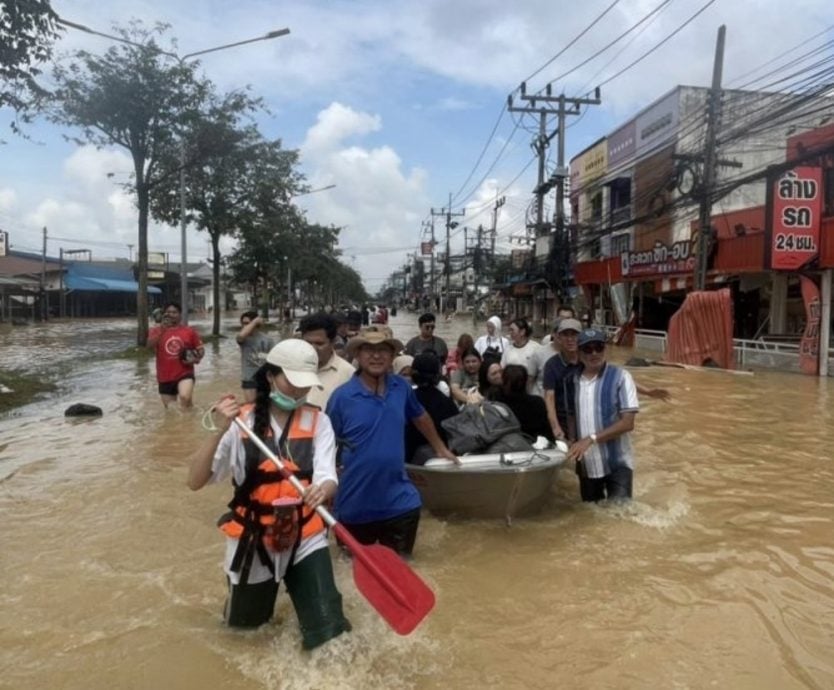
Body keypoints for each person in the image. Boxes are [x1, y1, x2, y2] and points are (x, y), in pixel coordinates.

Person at [186, 340, 350, 649]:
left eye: (304, 385)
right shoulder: (240, 423)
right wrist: (219, 430)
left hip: (305, 533)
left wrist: (322, 489)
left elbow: (328, 476)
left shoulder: (320, 421)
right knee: (246, 634)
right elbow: (194, 481)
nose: (298, 392)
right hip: (253, 538)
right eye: (292, 382)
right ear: (270, 376)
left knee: (329, 634)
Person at [326, 328, 457, 557]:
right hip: (354, 505)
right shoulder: (341, 397)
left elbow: (420, 416)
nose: (376, 356)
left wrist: (440, 448)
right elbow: (325, 442)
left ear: (392, 356)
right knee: (355, 572)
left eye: (383, 350)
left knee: (402, 569)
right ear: (358, 354)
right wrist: (327, 483)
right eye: (369, 350)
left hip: (400, 504)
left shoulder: (401, 387)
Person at [567, 328, 639, 502]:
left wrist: (590, 439)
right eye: (588, 349)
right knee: (591, 513)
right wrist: (570, 440)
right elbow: (571, 415)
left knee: (619, 513)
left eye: (598, 347)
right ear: (579, 353)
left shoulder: (621, 377)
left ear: (605, 349)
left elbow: (628, 423)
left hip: (618, 463)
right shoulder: (571, 380)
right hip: (587, 463)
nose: (594, 353)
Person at [146, 301, 204, 409]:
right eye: (168, 312)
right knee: (171, 410)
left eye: (174, 312)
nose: (171, 315)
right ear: (164, 315)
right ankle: (190, 414)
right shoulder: (155, 330)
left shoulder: (189, 331)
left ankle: (188, 414)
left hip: (185, 373)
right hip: (165, 376)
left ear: (180, 315)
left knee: (184, 397)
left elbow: (200, 350)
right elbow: (149, 346)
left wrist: (196, 359)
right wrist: (162, 329)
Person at [405, 352, 460, 465]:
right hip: (443, 461)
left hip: (409, 463)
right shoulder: (447, 402)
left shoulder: (406, 400)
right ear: (437, 375)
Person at [298, 313, 355, 410]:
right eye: (308, 343)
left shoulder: (348, 374)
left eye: (319, 344)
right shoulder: (289, 367)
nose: (312, 349)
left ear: (333, 342)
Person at [542, 318, 583, 441]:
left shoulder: (588, 359)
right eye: (565, 335)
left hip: (586, 416)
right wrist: (555, 427)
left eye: (574, 334)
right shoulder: (552, 365)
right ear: (558, 338)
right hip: (563, 418)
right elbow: (549, 397)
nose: (570, 339)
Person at [493, 364, 554, 443]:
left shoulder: (496, 403)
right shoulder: (537, 403)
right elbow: (546, 432)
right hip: (534, 445)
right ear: (526, 381)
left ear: (504, 381)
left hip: (505, 445)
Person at [236, 311, 275, 403]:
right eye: (243, 323)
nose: (245, 326)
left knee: (266, 404)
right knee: (251, 405)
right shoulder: (243, 339)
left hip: (265, 377)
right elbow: (240, 336)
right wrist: (255, 321)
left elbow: (274, 359)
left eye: (247, 323)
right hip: (249, 378)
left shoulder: (268, 339)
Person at [500, 318, 542, 393]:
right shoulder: (508, 349)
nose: (510, 333)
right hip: (511, 390)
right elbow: (502, 368)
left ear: (522, 332)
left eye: (512, 330)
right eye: (509, 330)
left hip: (530, 390)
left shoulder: (536, 348)